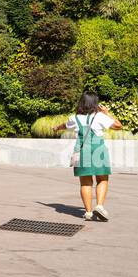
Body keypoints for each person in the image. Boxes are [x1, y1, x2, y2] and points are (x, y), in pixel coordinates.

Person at [54, 91, 123, 221]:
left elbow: (64, 125)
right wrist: (107, 113)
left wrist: (56, 128)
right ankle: (100, 206)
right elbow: (118, 126)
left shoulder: (74, 118)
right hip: (98, 149)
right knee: (102, 179)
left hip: (82, 151)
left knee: (85, 182)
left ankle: (89, 213)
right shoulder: (100, 117)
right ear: (95, 103)